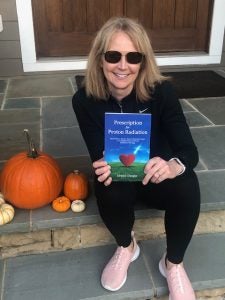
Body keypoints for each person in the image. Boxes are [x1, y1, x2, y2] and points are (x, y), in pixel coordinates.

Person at [72, 17, 200, 300]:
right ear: (100, 59)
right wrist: (105, 163)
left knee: (188, 184)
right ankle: (126, 246)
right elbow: (98, 154)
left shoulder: (162, 93)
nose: (122, 65)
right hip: (123, 177)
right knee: (106, 184)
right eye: (113, 55)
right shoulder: (83, 101)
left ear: (143, 61)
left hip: (157, 177)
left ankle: (173, 263)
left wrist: (171, 165)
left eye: (133, 57)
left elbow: (189, 151)